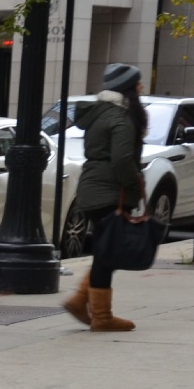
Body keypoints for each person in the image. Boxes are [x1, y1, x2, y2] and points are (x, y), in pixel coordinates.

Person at [62, 63, 145, 332]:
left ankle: (82, 301)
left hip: (94, 187)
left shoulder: (102, 113)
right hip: (109, 192)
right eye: (138, 85)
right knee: (108, 253)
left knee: (106, 251)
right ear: (129, 90)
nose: (142, 88)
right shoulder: (121, 119)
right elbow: (122, 160)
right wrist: (135, 182)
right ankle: (101, 316)